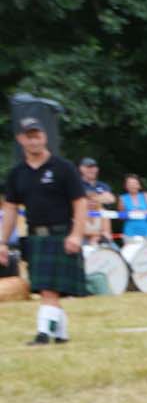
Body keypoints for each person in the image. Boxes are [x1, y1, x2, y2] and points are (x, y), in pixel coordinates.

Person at [2, 116, 88, 344]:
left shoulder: (63, 168)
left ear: (45, 137)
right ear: (21, 139)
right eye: (28, 137)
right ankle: (61, 334)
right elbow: (10, 209)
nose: (34, 141)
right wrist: (2, 242)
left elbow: (80, 203)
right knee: (46, 289)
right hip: (34, 237)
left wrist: (77, 234)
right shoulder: (17, 173)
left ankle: (44, 334)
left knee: (49, 290)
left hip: (61, 234)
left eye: (37, 136)